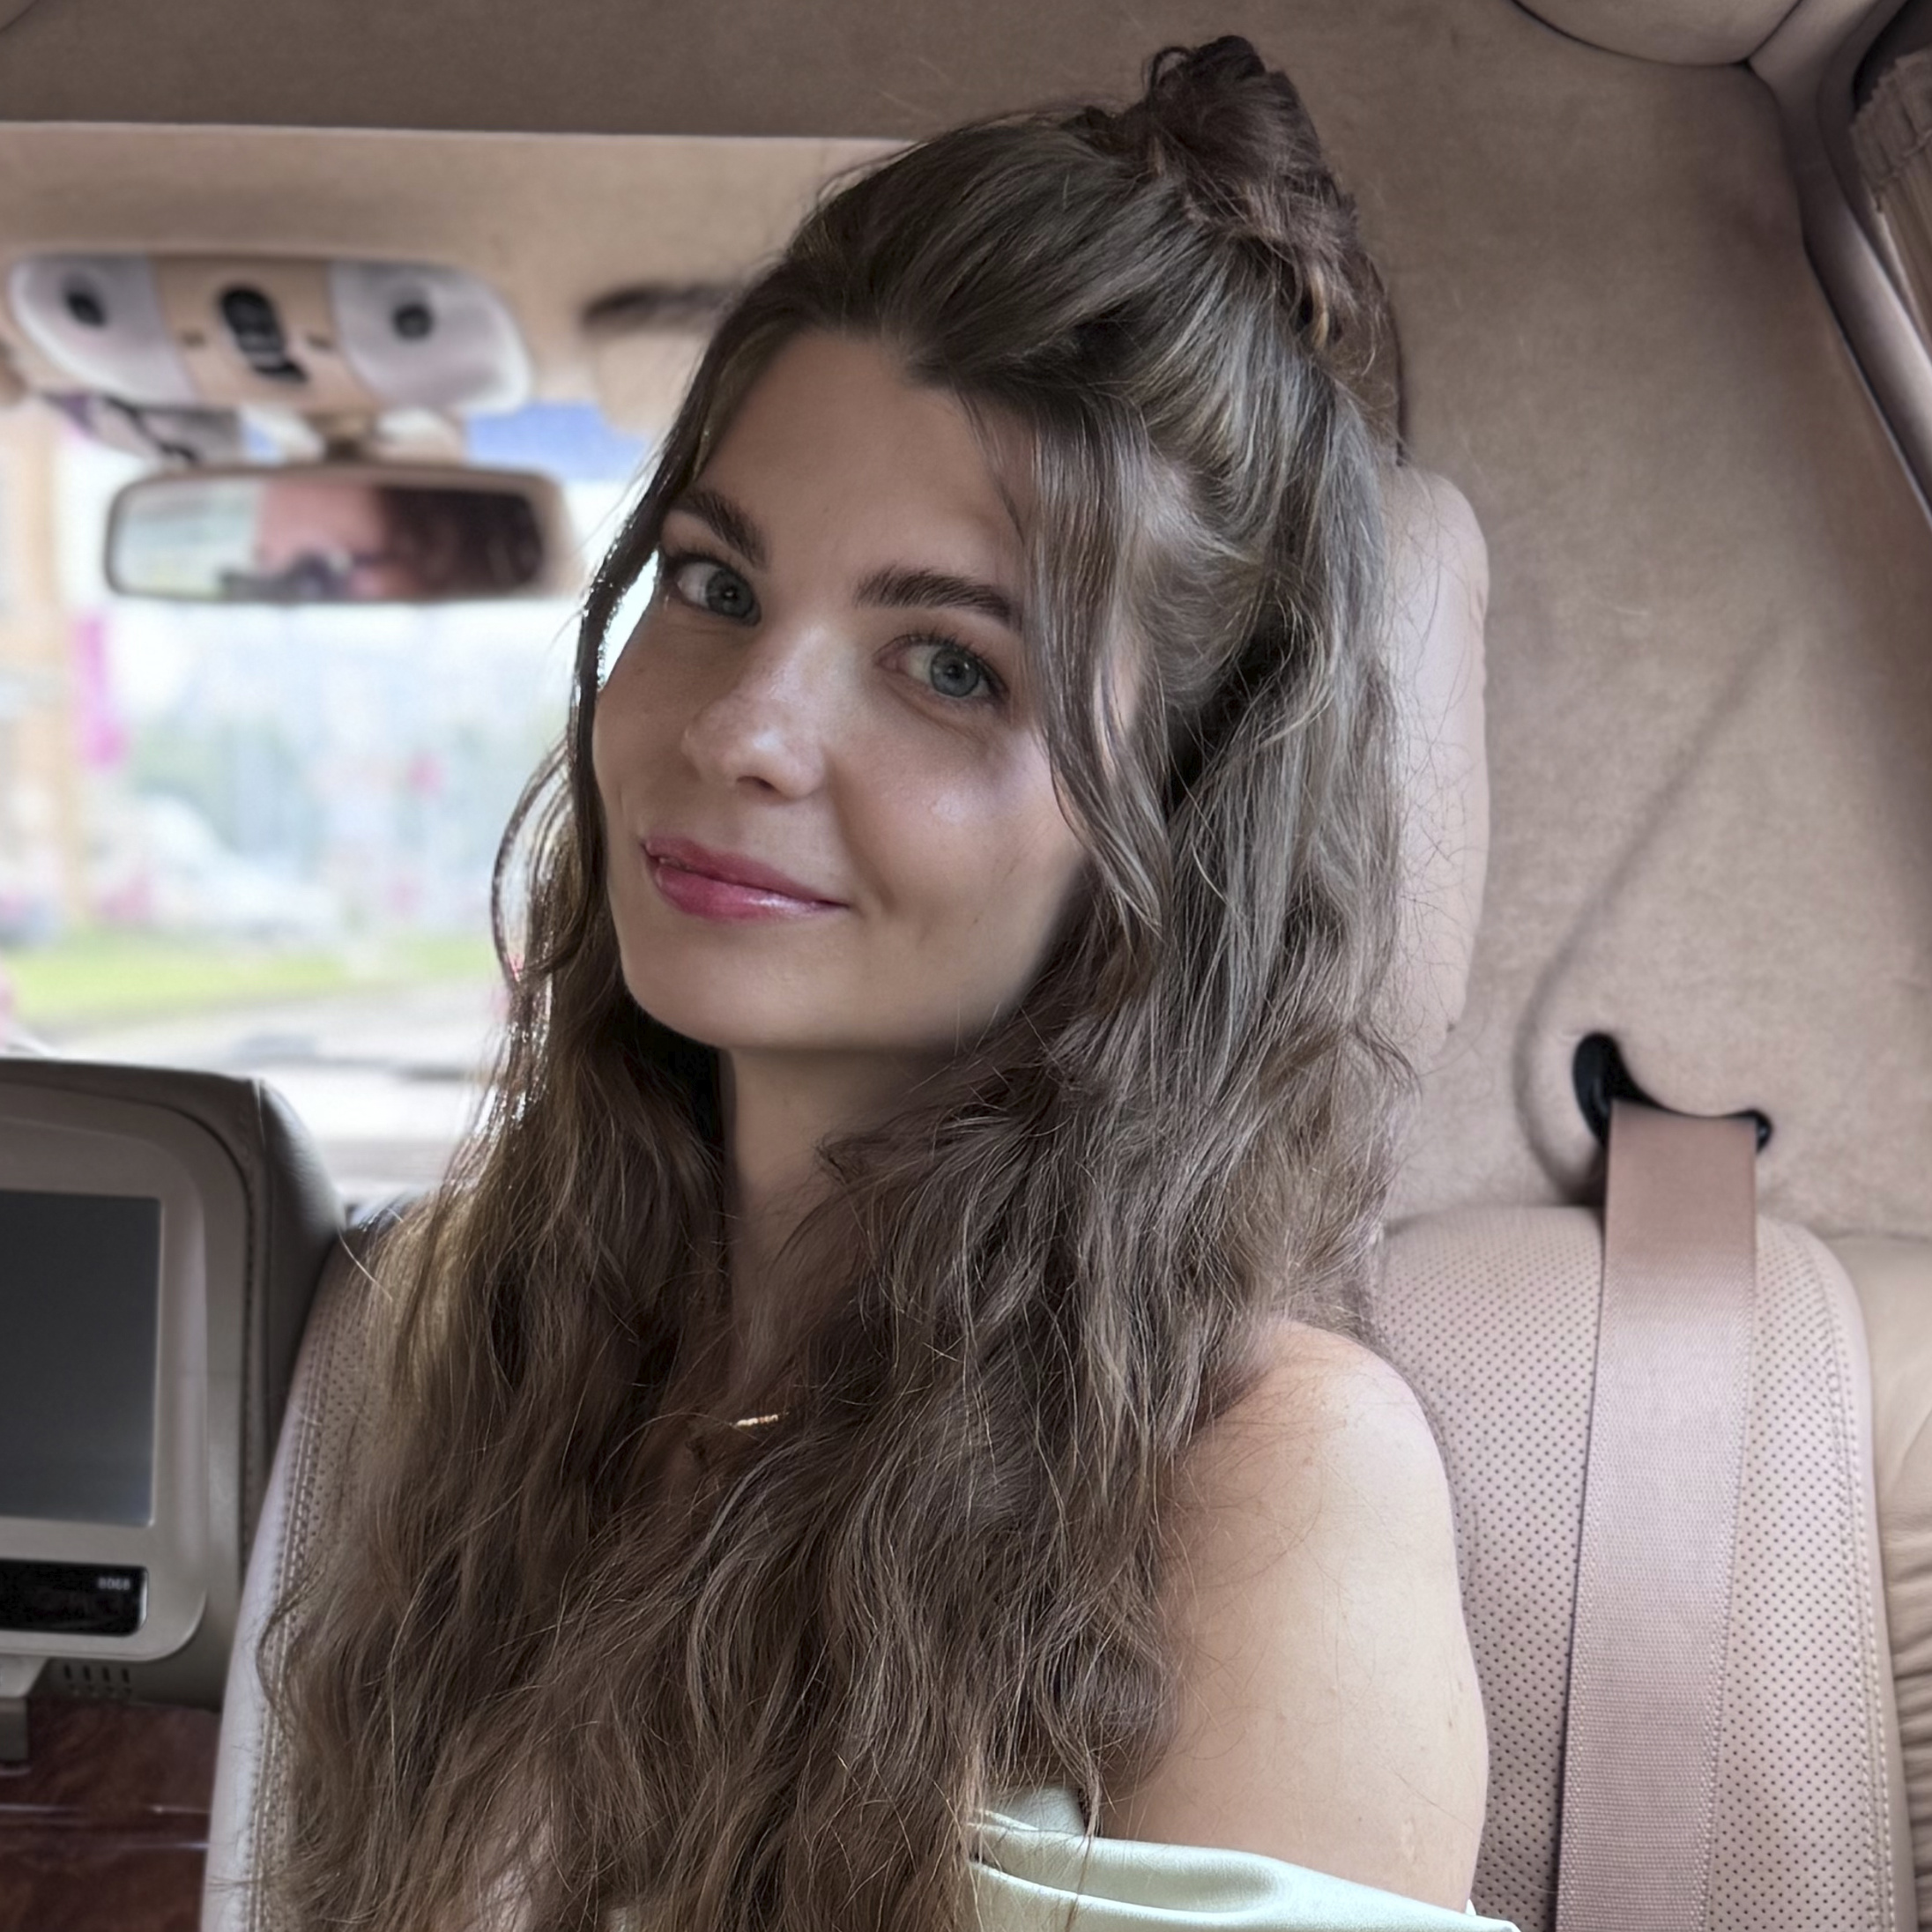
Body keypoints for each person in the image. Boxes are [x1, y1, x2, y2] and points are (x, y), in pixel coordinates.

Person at [262, 37, 1497, 1932]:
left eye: (949, 668)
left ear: (1177, 813)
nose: (742, 729)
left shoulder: (1258, 1480)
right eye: (714, 585)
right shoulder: (486, 1335)